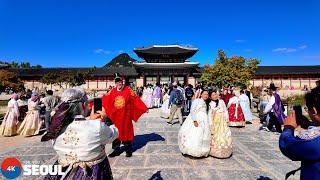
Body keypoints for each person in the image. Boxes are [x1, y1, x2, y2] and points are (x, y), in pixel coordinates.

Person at [41, 88, 118, 180]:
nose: (89, 107)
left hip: (62, 171)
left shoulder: (55, 127)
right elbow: (113, 134)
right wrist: (105, 120)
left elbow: (77, 125)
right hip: (92, 172)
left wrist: (90, 121)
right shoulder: (97, 126)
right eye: (87, 104)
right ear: (83, 105)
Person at [102, 73, 148, 157]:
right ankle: (116, 150)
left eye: (119, 82)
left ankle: (128, 150)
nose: (118, 84)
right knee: (116, 134)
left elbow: (136, 99)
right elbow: (106, 99)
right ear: (115, 83)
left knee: (126, 133)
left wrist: (144, 107)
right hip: (116, 118)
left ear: (122, 82)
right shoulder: (112, 91)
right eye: (116, 82)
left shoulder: (128, 90)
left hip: (125, 117)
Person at [279, 90, 320, 180]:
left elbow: (288, 146)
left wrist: (288, 128)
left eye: (307, 108)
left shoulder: (315, 141)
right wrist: (308, 124)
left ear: (314, 110)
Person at [178, 89, 211, 157]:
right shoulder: (197, 101)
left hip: (204, 121)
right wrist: (194, 120)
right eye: (204, 94)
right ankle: (191, 150)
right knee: (195, 134)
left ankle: (201, 150)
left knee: (202, 135)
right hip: (196, 119)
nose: (206, 96)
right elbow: (192, 110)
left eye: (207, 94)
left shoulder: (206, 103)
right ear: (201, 94)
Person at [208, 88, 232, 158]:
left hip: (222, 122)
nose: (215, 96)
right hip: (215, 123)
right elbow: (209, 115)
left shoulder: (221, 102)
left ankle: (225, 151)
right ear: (210, 96)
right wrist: (210, 124)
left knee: (224, 135)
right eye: (213, 95)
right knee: (215, 136)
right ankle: (215, 151)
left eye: (215, 94)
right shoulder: (209, 104)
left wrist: (227, 119)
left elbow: (225, 111)